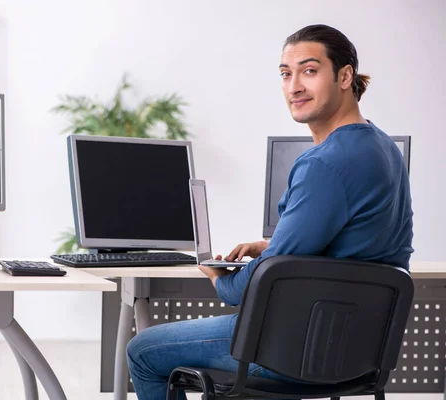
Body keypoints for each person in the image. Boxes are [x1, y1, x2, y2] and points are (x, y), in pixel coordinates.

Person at [126, 23, 414, 400]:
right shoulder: (384, 149)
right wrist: (271, 244)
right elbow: (357, 249)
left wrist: (219, 278)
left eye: (309, 71)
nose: (294, 86)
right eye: (285, 73)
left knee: (143, 350)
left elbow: (260, 283)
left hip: (294, 347)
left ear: (345, 76)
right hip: (358, 350)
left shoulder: (324, 163)